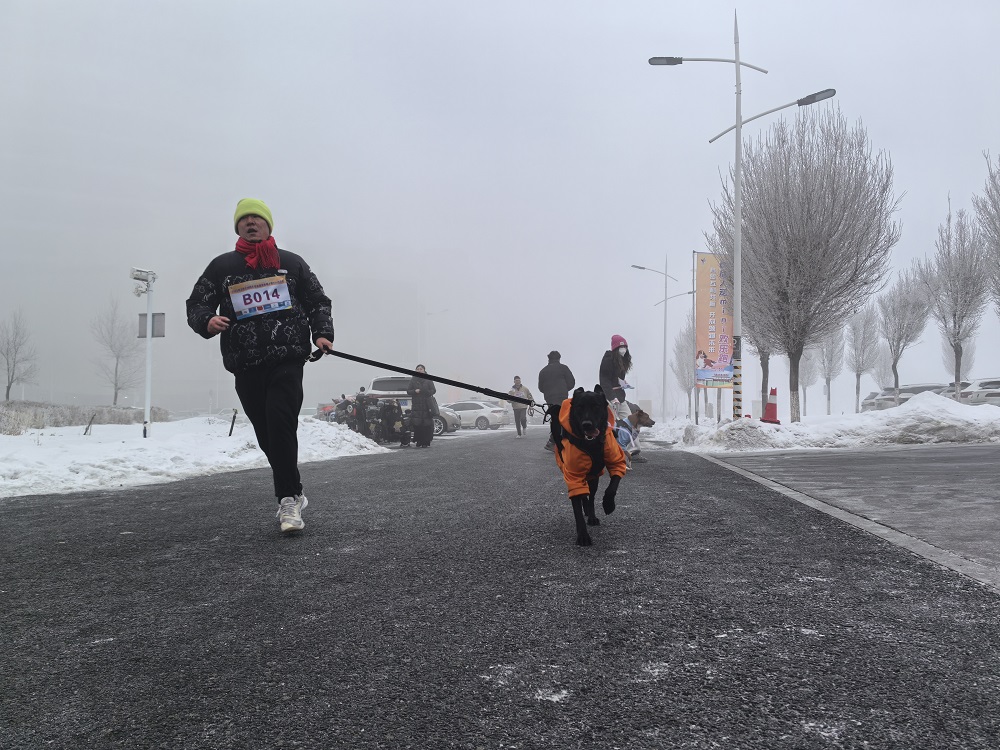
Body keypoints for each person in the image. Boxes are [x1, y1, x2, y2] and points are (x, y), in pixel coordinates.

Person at [186, 198, 334, 533]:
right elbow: (197, 302)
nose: (251, 223)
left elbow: (317, 300)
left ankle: (288, 501)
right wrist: (207, 320)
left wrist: (322, 333)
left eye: (257, 218)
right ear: (237, 228)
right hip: (246, 362)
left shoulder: (291, 263)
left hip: (287, 359)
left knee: (280, 423)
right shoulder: (222, 267)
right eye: (244, 220)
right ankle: (294, 491)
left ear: (269, 225)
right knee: (267, 433)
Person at [538, 350, 575, 451]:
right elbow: (572, 382)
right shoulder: (564, 368)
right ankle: (555, 441)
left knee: (555, 417)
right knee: (562, 417)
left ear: (549, 359)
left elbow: (540, 387)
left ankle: (554, 440)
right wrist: (564, 389)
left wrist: (548, 392)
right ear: (559, 358)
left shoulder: (543, 371)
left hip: (549, 397)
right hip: (562, 396)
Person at [599, 334, 633, 422]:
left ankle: (625, 435)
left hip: (620, 396)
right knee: (612, 422)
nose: (623, 349)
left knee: (629, 420)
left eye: (624, 347)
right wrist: (612, 397)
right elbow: (605, 381)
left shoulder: (622, 361)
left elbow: (616, 379)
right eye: (621, 347)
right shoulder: (608, 360)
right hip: (610, 398)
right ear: (615, 348)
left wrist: (623, 384)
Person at [407, 364, 437, 447]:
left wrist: (427, 391)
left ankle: (426, 442)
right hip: (417, 405)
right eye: (418, 369)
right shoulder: (413, 379)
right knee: (417, 424)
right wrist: (414, 391)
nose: (419, 370)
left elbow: (433, 390)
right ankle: (418, 441)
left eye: (421, 369)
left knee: (427, 424)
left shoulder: (428, 379)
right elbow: (408, 391)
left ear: (424, 370)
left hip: (427, 405)